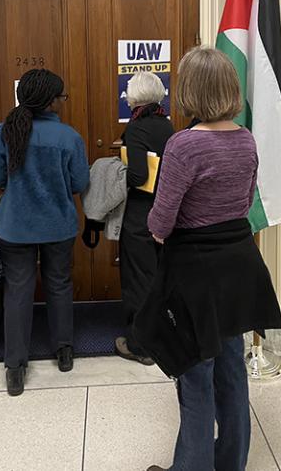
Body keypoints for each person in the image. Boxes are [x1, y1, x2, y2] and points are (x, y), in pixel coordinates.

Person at [133, 47, 281, 471]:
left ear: (189, 92)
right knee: (232, 375)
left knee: (196, 380)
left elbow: (160, 222)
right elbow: (247, 198)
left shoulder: (184, 145)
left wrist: (162, 228)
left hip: (195, 273)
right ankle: (230, 464)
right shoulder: (246, 139)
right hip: (239, 266)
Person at [0, 69, 89, 397]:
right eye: (62, 96)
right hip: (58, 225)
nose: (63, 101)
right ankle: (64, 352)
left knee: (17, 290)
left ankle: (15, 367)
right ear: (51, 101)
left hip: (14, 228)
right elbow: (80, 184)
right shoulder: (68, 137)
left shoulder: (6, 131)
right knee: (59, 284)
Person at [115, 71, 174, 365]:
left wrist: (114, 173)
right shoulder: (168, 125)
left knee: (138, 280)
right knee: (159, 278)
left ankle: (140, 346)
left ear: (135, 98)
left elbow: (138, 175)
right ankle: (162, 339)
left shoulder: (136, 128)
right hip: (167, 213)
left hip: (140, 216)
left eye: (128, 92)